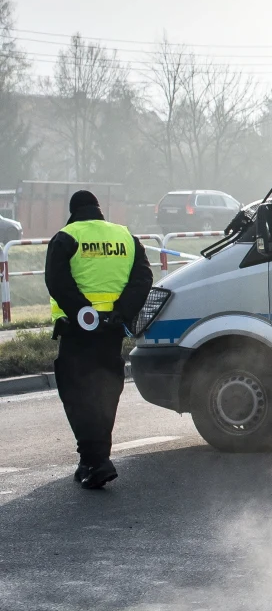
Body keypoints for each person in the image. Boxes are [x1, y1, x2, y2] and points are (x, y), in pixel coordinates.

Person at [45, 190, 153, 489]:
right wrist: (121, 313)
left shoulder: (66, 237)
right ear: (98, 209)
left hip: (77, 331)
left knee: (79, 396)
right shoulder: (125, 237)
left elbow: (56, 282)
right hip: (113, 331)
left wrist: (82, 312)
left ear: (73, 210)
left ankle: (97, 461)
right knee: (105, 394)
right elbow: (143, 278)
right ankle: (92, 461)